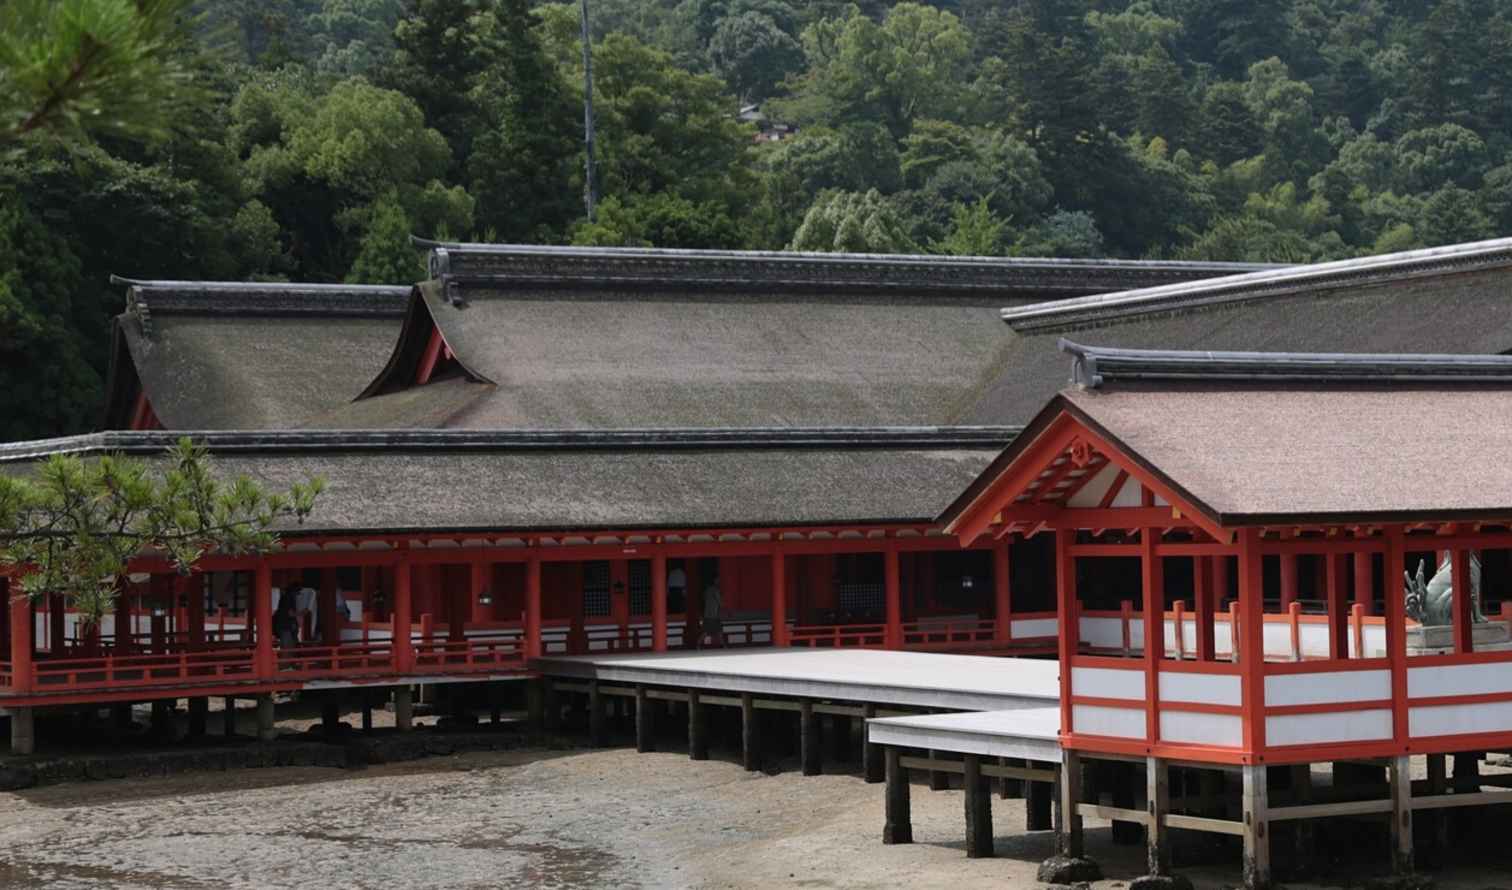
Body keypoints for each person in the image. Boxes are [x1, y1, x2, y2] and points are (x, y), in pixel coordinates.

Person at [699, 575, 723, 649]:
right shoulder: (715, 590)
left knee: (709, 631)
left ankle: (723, 645)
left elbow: (704, 600)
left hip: (707, 614)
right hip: (713, 614)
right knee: (715, 631)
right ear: (715, 581)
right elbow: (720, 602)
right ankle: (698, 644)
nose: (719, 582)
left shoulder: (707, 590)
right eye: (718, 580)